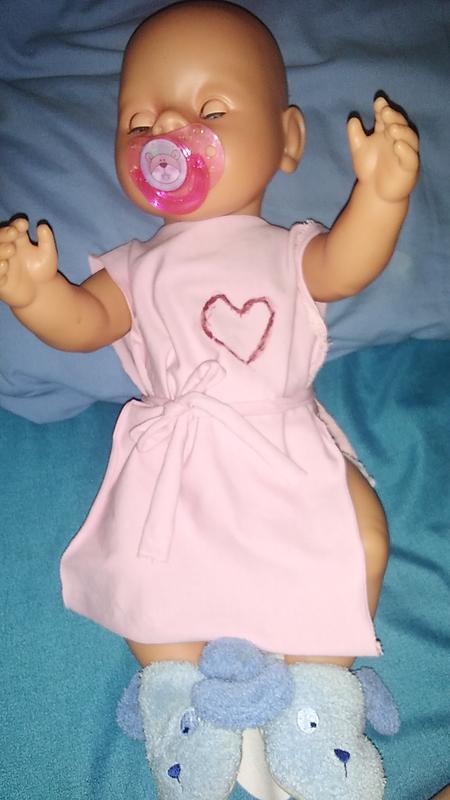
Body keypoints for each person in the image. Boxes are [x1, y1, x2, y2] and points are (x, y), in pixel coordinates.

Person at [0, 2, 419, 797]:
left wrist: (382, 196)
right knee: (143, 571)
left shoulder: (289, 249)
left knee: (360, 537)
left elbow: (347, 265)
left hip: (281, 438)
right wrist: (34, 293)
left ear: (287, 141)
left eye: (212, 110)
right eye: (139, 121)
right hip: (178, 459)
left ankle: (320, 697)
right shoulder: (135, 266)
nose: (168, 130)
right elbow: (85, 323)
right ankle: (176, 701)